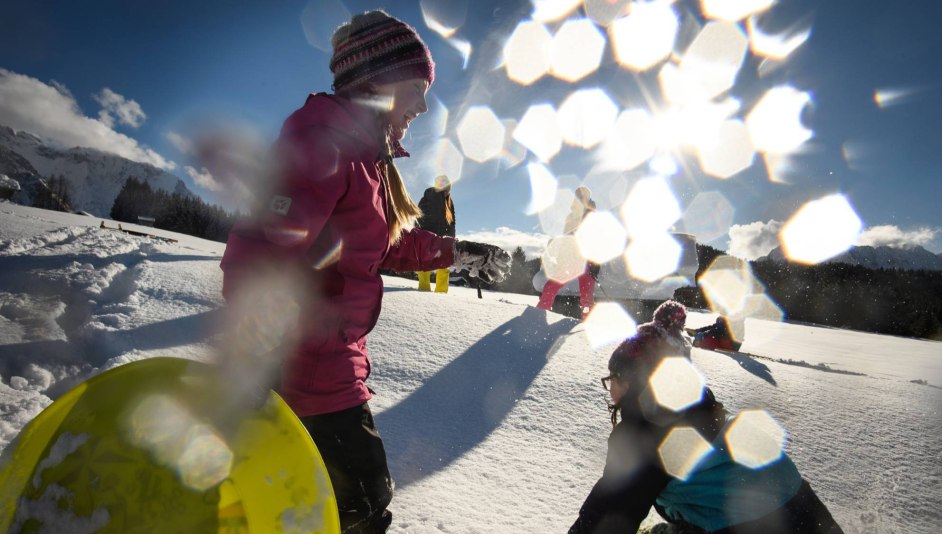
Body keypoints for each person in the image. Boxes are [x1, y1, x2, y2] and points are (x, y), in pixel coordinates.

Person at [219, 11, 509, 533]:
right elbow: (263, 246)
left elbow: (387, 244)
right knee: (355, 508)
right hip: (302, 372)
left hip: (335, 367)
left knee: (346, 505)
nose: (423, 105)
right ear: (377, 82)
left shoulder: (368, 160)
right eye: (416, 88)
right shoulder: (322, 140)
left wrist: (456, 252)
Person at [569, 300, 842, 534]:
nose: (610, 387)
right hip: (806, 512)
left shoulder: (646, 432)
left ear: (634, 381)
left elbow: (608, 514)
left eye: (613, 377)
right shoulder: (695, 406)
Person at [537, 186, 599, 319]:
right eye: (578, 196)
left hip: (587, 261)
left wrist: (595, 263)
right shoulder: (571, 216)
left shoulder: (593, 216)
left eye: (584, 196)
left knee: (587, 296)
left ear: (588, 198)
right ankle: (540, 311)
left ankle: (587, 319)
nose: (580, 198)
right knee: (552, 285)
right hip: (570, 259)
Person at [416, 175, 455, 293]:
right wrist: (419, 232)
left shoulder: (449, 200)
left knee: (444, 265)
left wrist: (452, 237)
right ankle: (423, 290)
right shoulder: (429, 196)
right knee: (425, 264)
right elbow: (419, 215)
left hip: (443, 237)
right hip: (427, 235)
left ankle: (441, 293)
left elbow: (452, 221)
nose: (448, 190)